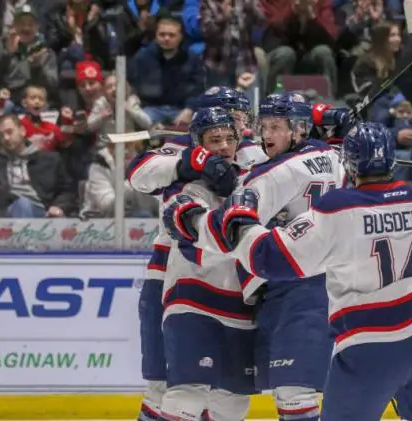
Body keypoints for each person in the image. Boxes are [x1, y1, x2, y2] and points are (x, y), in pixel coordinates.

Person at [165, 122, 412, 421]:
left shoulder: (337, 209)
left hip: (370, 349)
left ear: (350, 165)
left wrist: (242, 222)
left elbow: (269, 259)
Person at [165, 94, 346, 421]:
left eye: (276, 127)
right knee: (289, 394)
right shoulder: (335, 154)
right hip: (310, 285)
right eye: (264, 127)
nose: (266, 135)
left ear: (299, 129)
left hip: (300, 287)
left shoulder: (269, 175)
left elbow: (227, 230)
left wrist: (188, 220)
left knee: (295, 394)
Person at [125, 109, 239, 421]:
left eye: (233, 131)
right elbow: (138, 172)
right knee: (168, 387)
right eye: (214, 137)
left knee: (227, 395)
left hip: (232, 289)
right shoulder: (183, 156)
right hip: (172, 278)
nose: (225, 143)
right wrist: (190, 162)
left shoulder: (256, 156)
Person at [158, 107, 256, 421]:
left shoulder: (256, 182)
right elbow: (188, 229)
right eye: (215, 140)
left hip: (240, 306)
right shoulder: (184, 186)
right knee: (186, 394)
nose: (225, 146)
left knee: (233, 401)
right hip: (193, 301)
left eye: (230, 138)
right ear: (199, 145)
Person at [192, 86, 268, 169]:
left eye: (244, 119)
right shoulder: (181, 156)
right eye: (236, 118)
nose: (243, 127)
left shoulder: (253, 151)